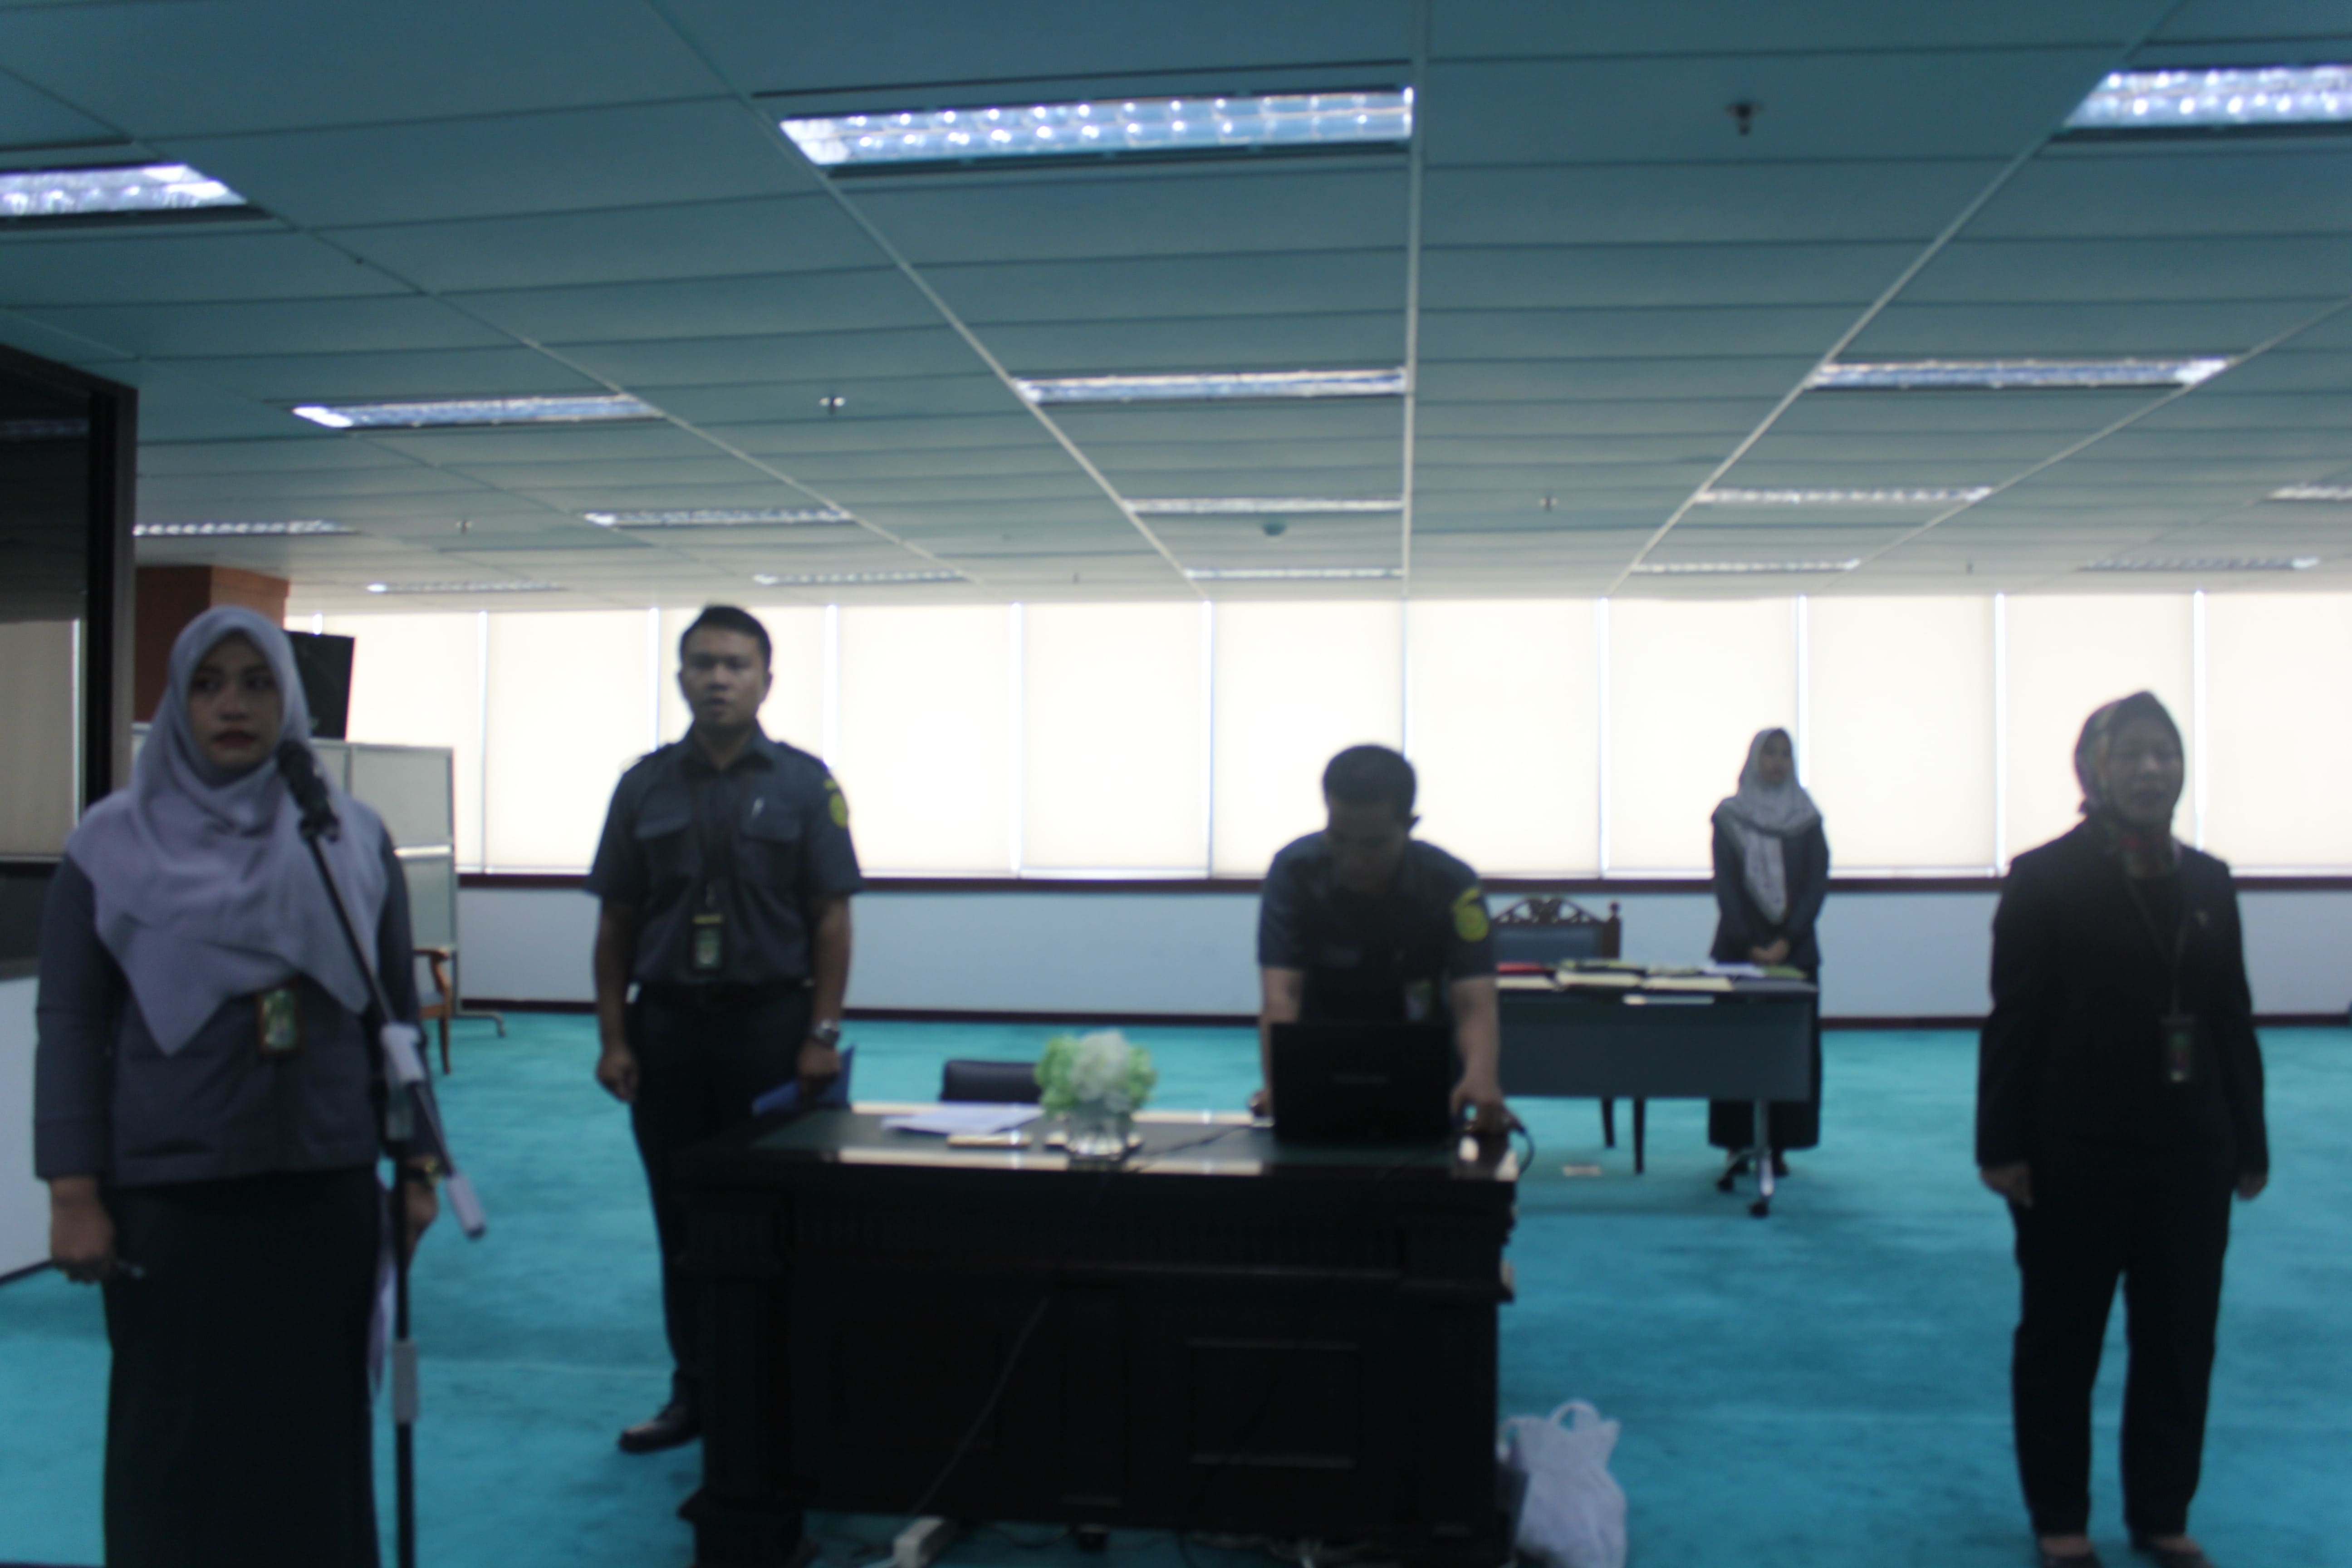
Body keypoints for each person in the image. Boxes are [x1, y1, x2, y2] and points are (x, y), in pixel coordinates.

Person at [35, 606, 438, 1568]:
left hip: (323, 1185)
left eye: (257, 683)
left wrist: (417, 1163)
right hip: (174, 1195)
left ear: (288, 701)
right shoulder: (108, 845)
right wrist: (74, 1193)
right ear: (178, 702)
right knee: (176, 1441)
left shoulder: (348, 837)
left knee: (314, 1438)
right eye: (208, 684)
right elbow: (72, 1026)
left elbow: (394, 1021)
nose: (232, 705)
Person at [1978, 692, 2267, 1568]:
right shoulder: (2043, 878)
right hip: (2073, 1150)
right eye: (2131, 754)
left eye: (2164, 754)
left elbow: (2229, 1019)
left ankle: (2159, 1512)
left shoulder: (2207, 880)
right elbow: (2013, 1021)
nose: (2150, 770)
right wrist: (2000, 1145)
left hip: (2190, 1150)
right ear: (2093, 769)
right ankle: (2059, 1516)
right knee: (2061, 1338)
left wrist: (2248, 1138)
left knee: (2179, 1337)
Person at [587, 604, 861, 1453]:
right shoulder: (643, 787)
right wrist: (613, 1038)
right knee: (681, 1218)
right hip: (668, 1029)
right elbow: (616, 924)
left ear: (765, 680)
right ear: (680, 678)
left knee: (780, 1213)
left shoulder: (806, 784)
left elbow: (832, 918)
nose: (718, 678)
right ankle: (697, 1391)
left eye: (736, 665)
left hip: (772, 1029)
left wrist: (821, 1032)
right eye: (703, 663)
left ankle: (784, 1391)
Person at [1252, 744, 1506, 1132]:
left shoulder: (1451, 883)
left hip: (1423, 1067)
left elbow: (1474, 1002)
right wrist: (1279, 1082)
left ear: (1409, 825)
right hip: (1320, 1062)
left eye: (1373, 845)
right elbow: (1281, 995)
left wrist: (1482, 1075)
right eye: (1339, 839)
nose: (1353, 860)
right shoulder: (1295, 872)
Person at [1706, 727, 1828, 1175]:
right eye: (1769, 753)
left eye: (1785, 754)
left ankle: (1780, 1146)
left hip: (1795, 954)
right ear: (1753, 759)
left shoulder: (1807, 818)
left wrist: (1786, 941)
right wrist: (1751, 945)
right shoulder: (1729, 818)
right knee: (1735, 1048)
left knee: (1789, 1051)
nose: (1777, 762)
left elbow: (1817, 884)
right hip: (1738, 952)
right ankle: (1737, 1142)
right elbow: (1726, 887)